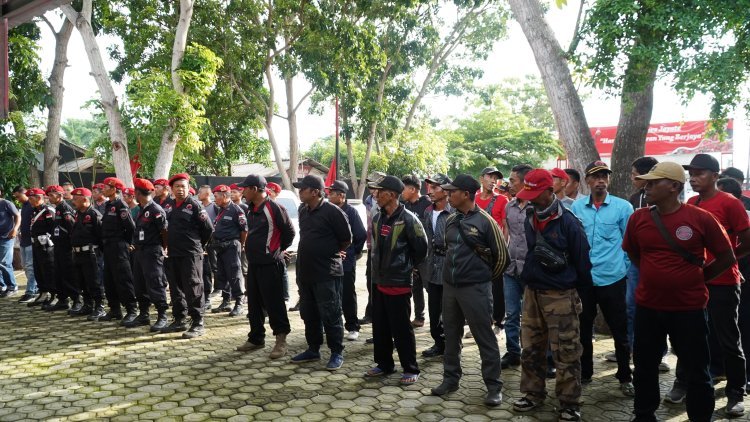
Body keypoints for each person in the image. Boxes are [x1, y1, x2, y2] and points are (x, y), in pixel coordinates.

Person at [623, 161, 737, 422]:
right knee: (644, 367)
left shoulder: (700, 218)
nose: (647, 186)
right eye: (647, 181)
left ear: (674, 186)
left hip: (689, 309)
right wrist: (657, 276)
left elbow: (726, 256)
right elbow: (633, 252)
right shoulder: (638, 218)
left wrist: (697, 278)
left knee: (697, 370)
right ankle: (643, 415)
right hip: (648, 307)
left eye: (654, 182)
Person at [664, 154, 748, 417]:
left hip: (723, 282)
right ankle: (683, 382)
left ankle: (736, 391)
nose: (694, 177)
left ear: (715, 175)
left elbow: (746, 240)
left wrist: (724, 263)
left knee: (728, 338)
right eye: (692, 173)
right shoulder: (691, 202)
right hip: (695, 281)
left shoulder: (730, 203)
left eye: (700, 173)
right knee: (688, 334)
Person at [511, 169, 592, 422]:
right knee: (531, 348)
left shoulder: (569, 222)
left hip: (561, 295)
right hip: (532, 292)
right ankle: (533, 394)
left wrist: (577, 295)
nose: (532, 200)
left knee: (566, 351)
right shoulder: (530, 217)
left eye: (536, 194)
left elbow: (582, 262)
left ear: (549, 191)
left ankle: (569, 402)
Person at [430, 174, 508, 405]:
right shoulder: (452, 220)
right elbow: (446, 249)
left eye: (452, 191)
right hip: (450, 288)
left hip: (476, 289)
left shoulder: (486, 222)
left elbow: (502, 258)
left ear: (465, 194)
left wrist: (481, 279)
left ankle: (494, 387)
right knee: (451, 335)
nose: (447, 194)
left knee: (485, 338)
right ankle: (450, 379)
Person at [570, 161, 634, 396]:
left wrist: (623, 270)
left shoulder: (623, 207)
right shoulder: (577, 208)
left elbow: (629, 243)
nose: (600, 180)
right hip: (585, 279)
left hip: (613, 278)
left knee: (619, 329)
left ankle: (625, 375)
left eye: (604, 176)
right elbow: (573, 243)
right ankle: (585, 373)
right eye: (595, 177)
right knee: (583, 329)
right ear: (587, 181)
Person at [365, 175, 427, 385]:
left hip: (399, 282)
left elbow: (422, 248)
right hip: (379, 280)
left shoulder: (409, 219)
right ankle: (384, 364)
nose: (375, 196)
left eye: (379, 192)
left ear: (391, 195)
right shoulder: (377, 218)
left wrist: (409, 267)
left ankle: (410, 367)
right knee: (380, 325)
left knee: (401, 327)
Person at [292, 175, 352, 370]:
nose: (299, 192)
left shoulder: (332, 211)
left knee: (331, 312)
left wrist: (329, 252)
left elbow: (346, 238)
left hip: (327, 272)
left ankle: (336, 352)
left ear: (315, 192)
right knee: (308, 312)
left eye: (303, 189)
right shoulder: (303, 210)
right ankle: (313, 349)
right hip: (306, 271)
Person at [236, 175, 295, 359]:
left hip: (271, 264)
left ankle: (281, 340)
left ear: (254, 189)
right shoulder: (251, 209)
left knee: (274, 303)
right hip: (254, 264)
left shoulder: (274, 208)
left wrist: (276, 250)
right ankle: (256, 338)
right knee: (254, 304)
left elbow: (289, 232)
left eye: (244, 188)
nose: (241, 191)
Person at [162, 173, 214, 339]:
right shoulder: (169, 205)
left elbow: (208, 229)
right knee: (176, 287)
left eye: (183, 186)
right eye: (177, 186)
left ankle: (198, 322)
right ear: (172, 189)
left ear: (188, 188)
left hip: (191, 253)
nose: (180, 190)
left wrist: (198, 244)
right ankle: (179, 319)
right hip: (174, 253)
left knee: (193, 286)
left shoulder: (195, 205)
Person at [501, 164, 533, 370]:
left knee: (533, 318)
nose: (509, 184)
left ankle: (536, 355)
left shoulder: (537, 207)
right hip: (511, 269)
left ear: (525, 182)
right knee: (511, 314)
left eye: (513, 181)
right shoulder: (509, 207)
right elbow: (506, 234)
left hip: (532, 271)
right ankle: (513, 352)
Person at [327, 180, 367, 341]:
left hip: (346, 262)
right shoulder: (328, 210)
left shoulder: (351, 212)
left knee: (347, 295)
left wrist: (352, 252)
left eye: (332, 193)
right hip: (330, 260)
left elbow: (361, 235)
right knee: (331, 295)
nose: (329, 196)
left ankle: (352, 326)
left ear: (341, 196)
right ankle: (332, 326)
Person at [420, 174, 453, 358]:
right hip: (432, 267)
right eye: (429, 187)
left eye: (435, 187)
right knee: (433, 309)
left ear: (445, 189)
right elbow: (426, 241)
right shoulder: (427, 212)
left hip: (450, 268)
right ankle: (438, 343)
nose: (430, 192)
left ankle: (452, 344)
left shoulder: (454, 213)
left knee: (450, 310)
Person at [130, 178, 170, 331]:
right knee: (139, 284)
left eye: (135, 191)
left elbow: (164, 231)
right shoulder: (141, 209)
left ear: (138, 192)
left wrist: (164, 248)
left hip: (152, 251)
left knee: (155, 283)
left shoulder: (156, 210)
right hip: (140, 252)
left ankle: (162, 316)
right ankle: (144, 314)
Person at [99, 177, 138, 324]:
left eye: (106, 186)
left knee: (123, 279)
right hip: (108, 247)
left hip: (119, 246)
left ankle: (131, 310)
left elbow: (130, 228)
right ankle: (115, 309)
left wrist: (127, 243)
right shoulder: (109, 204)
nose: (103, 188)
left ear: (114, 189)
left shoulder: (120, 205)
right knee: (109, 280)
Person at [475, 166, 509, 333]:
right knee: (478, 288)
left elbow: (506, 226)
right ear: (482, 179)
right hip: (475, 251)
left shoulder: (502, 200)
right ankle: (482, 322)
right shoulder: (473, 199)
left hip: (496, 250)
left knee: (497, 288)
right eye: (490, 176)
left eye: (496, 178)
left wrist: (504, 249)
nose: (493, 180)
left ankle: (498, 322)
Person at [207, 184, 247, 317]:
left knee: (234, 275)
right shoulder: (221, 209)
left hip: (231, 246)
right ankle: (225, 302)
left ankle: (239, 303)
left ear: (224, 196)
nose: (215, 199)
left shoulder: (236, 210)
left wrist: (240, 245)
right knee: (222, 275)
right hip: (220, 247)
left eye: (216, 196)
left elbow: (244, 229)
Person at [69, 188, 106, 320]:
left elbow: (101, 236)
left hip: (91, 253)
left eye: (76, 198)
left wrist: (100, 254)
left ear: (85, 199)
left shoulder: (94, 214)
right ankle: (87, 305)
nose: (73, 200)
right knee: (82, 281)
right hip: (78, 253)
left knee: (94, 281)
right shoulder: (77, 214)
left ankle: (99, 307)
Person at [400, 175, 431, 329]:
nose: (401, 191)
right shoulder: (404, 206)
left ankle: (439, 320)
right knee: (415, 286)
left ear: (413, 189)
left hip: (427, 255)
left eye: (403, 188)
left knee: (430, 288)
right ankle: (419, 317)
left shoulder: (427, 205)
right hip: (411, 256)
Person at [46, 185, 79, 312]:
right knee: (58, 274)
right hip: (58, 246)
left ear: (60, 196)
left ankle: (76, 299)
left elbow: (72, 228)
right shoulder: (58, 208)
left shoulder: (65, 208)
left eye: (52, 195)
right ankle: (62, 299)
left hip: (66, 248)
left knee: (69, 274)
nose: (49, 198)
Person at [359, 171, 386, 327]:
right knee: (371, 281)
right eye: (371, 185)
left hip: (385, 251)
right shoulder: (369, 200)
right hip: (372, 248)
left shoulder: (387, 202)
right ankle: (372, 313)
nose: (372, 189)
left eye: (375, 185)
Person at [27, 188, 57, 310]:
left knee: (49, 270)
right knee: (38, 270)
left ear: (39, 198)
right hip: (36, 245)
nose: (29, 200)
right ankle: (43, 293)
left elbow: (53, 229)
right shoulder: (35, 211)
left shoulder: (48, 211)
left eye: (31, 198)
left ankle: (54, 295)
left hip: (47, 246)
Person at [12, 187, 38, 303]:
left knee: (30, 266)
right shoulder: (24, 205)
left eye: (18, 196)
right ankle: (35, 288)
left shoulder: (32, 205)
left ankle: (30, 291)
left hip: (31, 241)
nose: (17, 199)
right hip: (24, 240)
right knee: (25, 266)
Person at [0, 187, 20, 298]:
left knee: (4, 262)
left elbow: (18, 215)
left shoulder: (6, 203)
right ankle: (2, 286)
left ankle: (12, 286)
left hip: (6, 237)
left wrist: (15, 229)